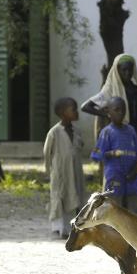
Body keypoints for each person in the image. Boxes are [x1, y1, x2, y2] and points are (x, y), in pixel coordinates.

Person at [82, 54, 137, 164]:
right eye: (124, 70)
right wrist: (107, 114)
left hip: (136, 132)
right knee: (117, 167)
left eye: (130, 70)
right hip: (119, 135)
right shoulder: (110, 89)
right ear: (117, 70)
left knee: (133, 167)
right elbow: (86, 107)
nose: (127, 73)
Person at [92, 96, 137, 218]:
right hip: (114, 177)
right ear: (109, 112)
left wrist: (134, 170)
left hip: (132, 176)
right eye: (117, 110)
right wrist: (111, 153)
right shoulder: (106, 132)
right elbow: (96, 155)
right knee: (114, 208)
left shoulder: (131, 131)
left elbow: (136, 155)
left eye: (123, 110)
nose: (120, 113)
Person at [44, 97, 86, 238]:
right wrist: (50, 172)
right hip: (61, 172)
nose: (76, 112)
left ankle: (74, 227)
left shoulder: (77, 131)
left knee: (75, 195)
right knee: (60, 196)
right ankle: (60, 228)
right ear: (62, 113)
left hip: (75, 172)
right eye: (73, 109)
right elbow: (47, 154)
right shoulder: (54, 133)